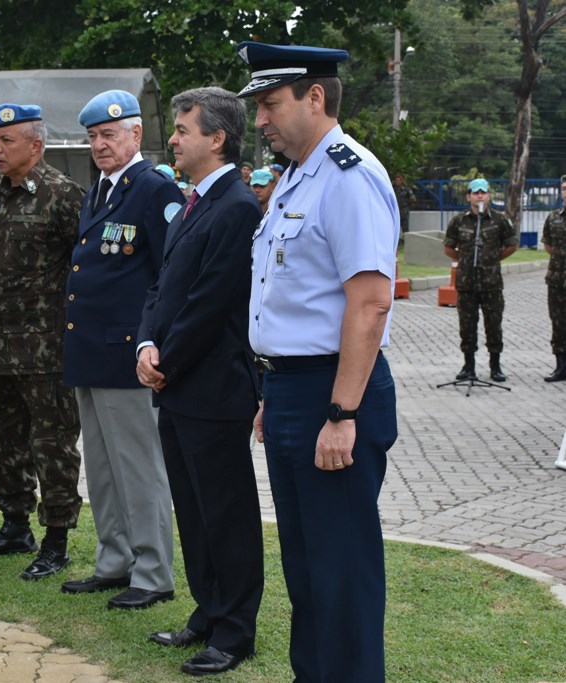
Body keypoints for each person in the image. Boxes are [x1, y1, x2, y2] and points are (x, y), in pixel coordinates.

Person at [239, 40, 400, 682]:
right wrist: (269, 394)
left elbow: (369, 304)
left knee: (342, 569)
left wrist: (341, 411)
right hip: (289, 393)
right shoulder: (295, 179)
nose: (259, 121)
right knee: (306, 571)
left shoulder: (348, 175)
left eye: (271, 104)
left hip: (333, 396)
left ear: (314, 97)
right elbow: (290, 301)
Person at [136, 87, 263, 676]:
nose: (175, 139)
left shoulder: (237, 205)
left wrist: (166, 362)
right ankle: (207, 613)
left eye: (185, 129)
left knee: (226, 515)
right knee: (192, 508)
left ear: (217, 138)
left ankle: (235, 632)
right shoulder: (194, 203)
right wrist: (145, 343)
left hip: (213, 388)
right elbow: (161, 289)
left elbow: (213, 303)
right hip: (179, 383)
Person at [61, 90, 183, 608]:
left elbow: (172, 273)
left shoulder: (154, 189)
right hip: (91, 352)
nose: (100, 145)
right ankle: (114, 560)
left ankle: (153, 572)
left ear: (136, 135)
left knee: (138, 467)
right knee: (103, 467)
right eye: (92, 137)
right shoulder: (101, 191)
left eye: (109, 134)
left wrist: (160, 344)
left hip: (130, 354)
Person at [0, 103, 84, 581]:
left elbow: (83, 272)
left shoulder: (63, 196)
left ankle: (57, 540)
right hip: (1, 349)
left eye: (7, 140)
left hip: (46, 351)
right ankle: (15, 525)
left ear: (35, 145)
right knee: (2, 440)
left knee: (52, 445)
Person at [444, 178, 518, 382]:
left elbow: (512, 245)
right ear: (468, 196)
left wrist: (493, 259)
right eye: (475, 192)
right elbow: (449, 247)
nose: (479, 196)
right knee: (467, 326)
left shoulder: (500, 220)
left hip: (491, 284)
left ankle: (495, 366)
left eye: (483, 192)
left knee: (493, 325)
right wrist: (465, 260)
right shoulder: (459, 221)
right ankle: (468, 366)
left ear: (489, 196)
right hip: (466, 283)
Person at [541, 174, 566, 382]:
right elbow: (548, 245)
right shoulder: (553, 217)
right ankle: (560, 367)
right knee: (558, 323)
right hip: (557, 280)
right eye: (564, 188)